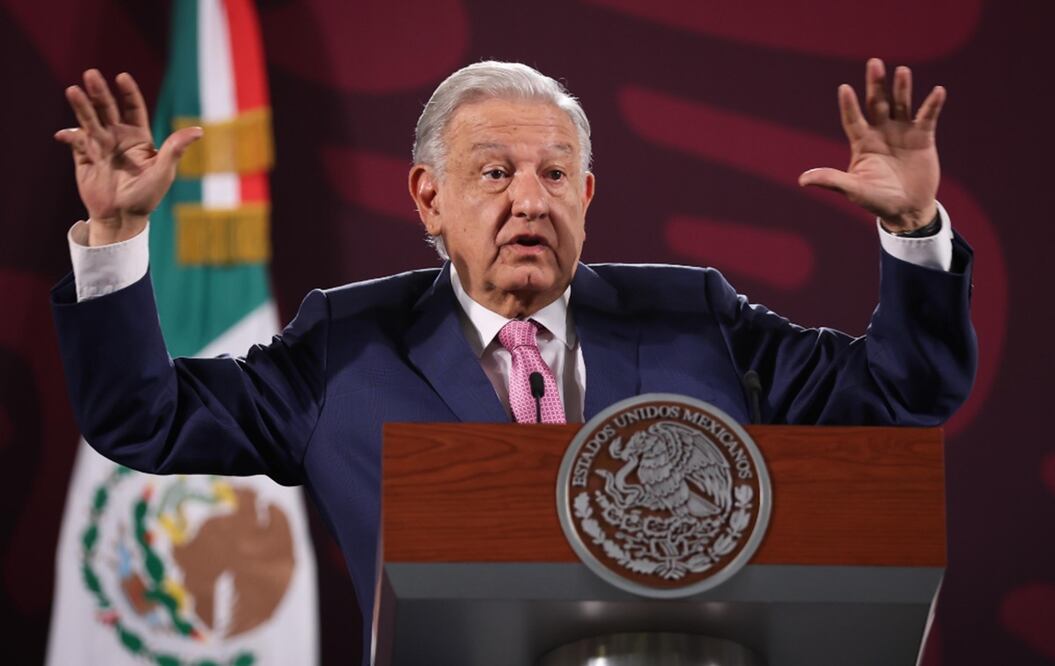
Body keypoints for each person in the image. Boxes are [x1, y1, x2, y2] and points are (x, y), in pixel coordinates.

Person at [50, 59, 976, 660]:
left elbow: (902, 396)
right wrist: (117, 238)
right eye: (494, 173)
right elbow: (146, 418)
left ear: (588, 193)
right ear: (428, 198)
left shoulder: (693, 314)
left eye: (555, 174)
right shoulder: (347, 346)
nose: (529, 201)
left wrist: (912, 233)